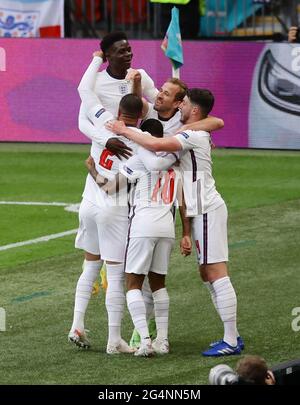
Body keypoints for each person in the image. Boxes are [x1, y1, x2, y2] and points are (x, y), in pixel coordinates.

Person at [106, 88, 242, 357]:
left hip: (205, 206)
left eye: (185, 103)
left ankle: (231, 339)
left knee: (215, 271)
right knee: (207, 272)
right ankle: (230, 335)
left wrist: (124, 129)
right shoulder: (192, 131)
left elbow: (156, 145)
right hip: (198, 208)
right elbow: (215, 122)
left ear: (194, 110)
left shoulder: (191, 134)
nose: (180, 106)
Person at [69, 31, 158, 350]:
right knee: (116, 274)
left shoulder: (104, 124)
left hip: (89, 196)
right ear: (109, 55)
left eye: (130, 49)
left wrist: (95, 161)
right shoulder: (139, 145)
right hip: (114, 205)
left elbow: (87, 110)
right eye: (121, 50)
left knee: (90, 263)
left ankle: (77, 325)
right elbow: (154, 116)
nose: (128, 54)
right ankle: (113, 339)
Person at [127, 70, 225, 348]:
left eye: (168, 94)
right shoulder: (153, 115)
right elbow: (137, 103)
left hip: (146, 213)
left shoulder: (176, 134)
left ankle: (141, 337)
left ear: (181, 103)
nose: (159, 95)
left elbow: (216, 121)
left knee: (133, 279)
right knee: (157, 281)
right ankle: (161, 338)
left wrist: (125, 133)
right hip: (166, 217)